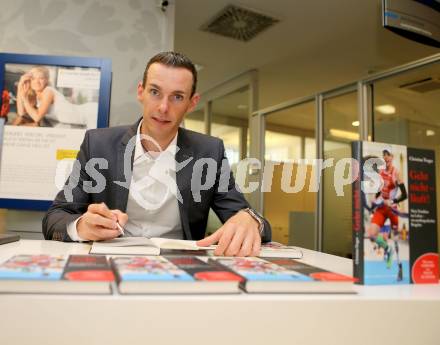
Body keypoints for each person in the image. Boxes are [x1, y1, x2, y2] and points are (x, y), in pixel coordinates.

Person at [43, 51, 271, 257]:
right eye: (155, 92)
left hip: (180, 268)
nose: (163, 107)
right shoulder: (98, 144)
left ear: (192, 103)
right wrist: (81, 225)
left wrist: (250, 220)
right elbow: (55, 218)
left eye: (177, 97)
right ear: (141, 92)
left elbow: (250, 219)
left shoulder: (209, 152)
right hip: (108, 262)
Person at [13, 66, 97, 128]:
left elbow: (37, 117)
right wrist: (20, 85)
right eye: (34, 78)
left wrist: (24, 98)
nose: (37, 82)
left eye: (41, 78)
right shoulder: (36, 96)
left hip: (90, 114)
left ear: (46, 80)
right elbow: (21, 113)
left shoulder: (48, 91)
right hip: (84, 120)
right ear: (29, 81)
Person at [366, 149, 407, 269]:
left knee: (396, 240)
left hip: (393, 209)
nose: (386, 157)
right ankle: (387, 249)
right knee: (371, 235)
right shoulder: (381, 171)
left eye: (388, 155)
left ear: (392, 157)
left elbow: (404, 195)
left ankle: (399, 266)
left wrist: (393, 201)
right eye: (384, 155)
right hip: (382, 208)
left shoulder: (396, 173)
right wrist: (375, 198)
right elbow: (380, 189)